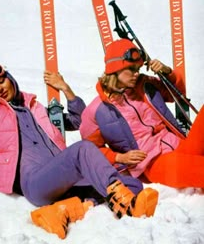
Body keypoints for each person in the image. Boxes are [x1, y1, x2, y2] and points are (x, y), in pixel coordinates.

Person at [0, 64, 158, 239]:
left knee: (131, 184)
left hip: (62, 182)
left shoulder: (36, 108)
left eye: (1, 81)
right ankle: (126, 207)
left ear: (10, 79)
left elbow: (77, 121)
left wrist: (65, 89)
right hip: (36, 183)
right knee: (83, 150)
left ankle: (66, 210)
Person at [80, 38, 204, 190]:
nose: (136, 74)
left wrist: (166, 72)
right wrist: (120, 157)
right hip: (154, 162)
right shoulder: (96, 110)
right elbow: (90, 151)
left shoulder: (145, 85)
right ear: (115, 69)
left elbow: (177, 95)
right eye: (131, 69)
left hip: (180, 145)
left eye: (138, 69)